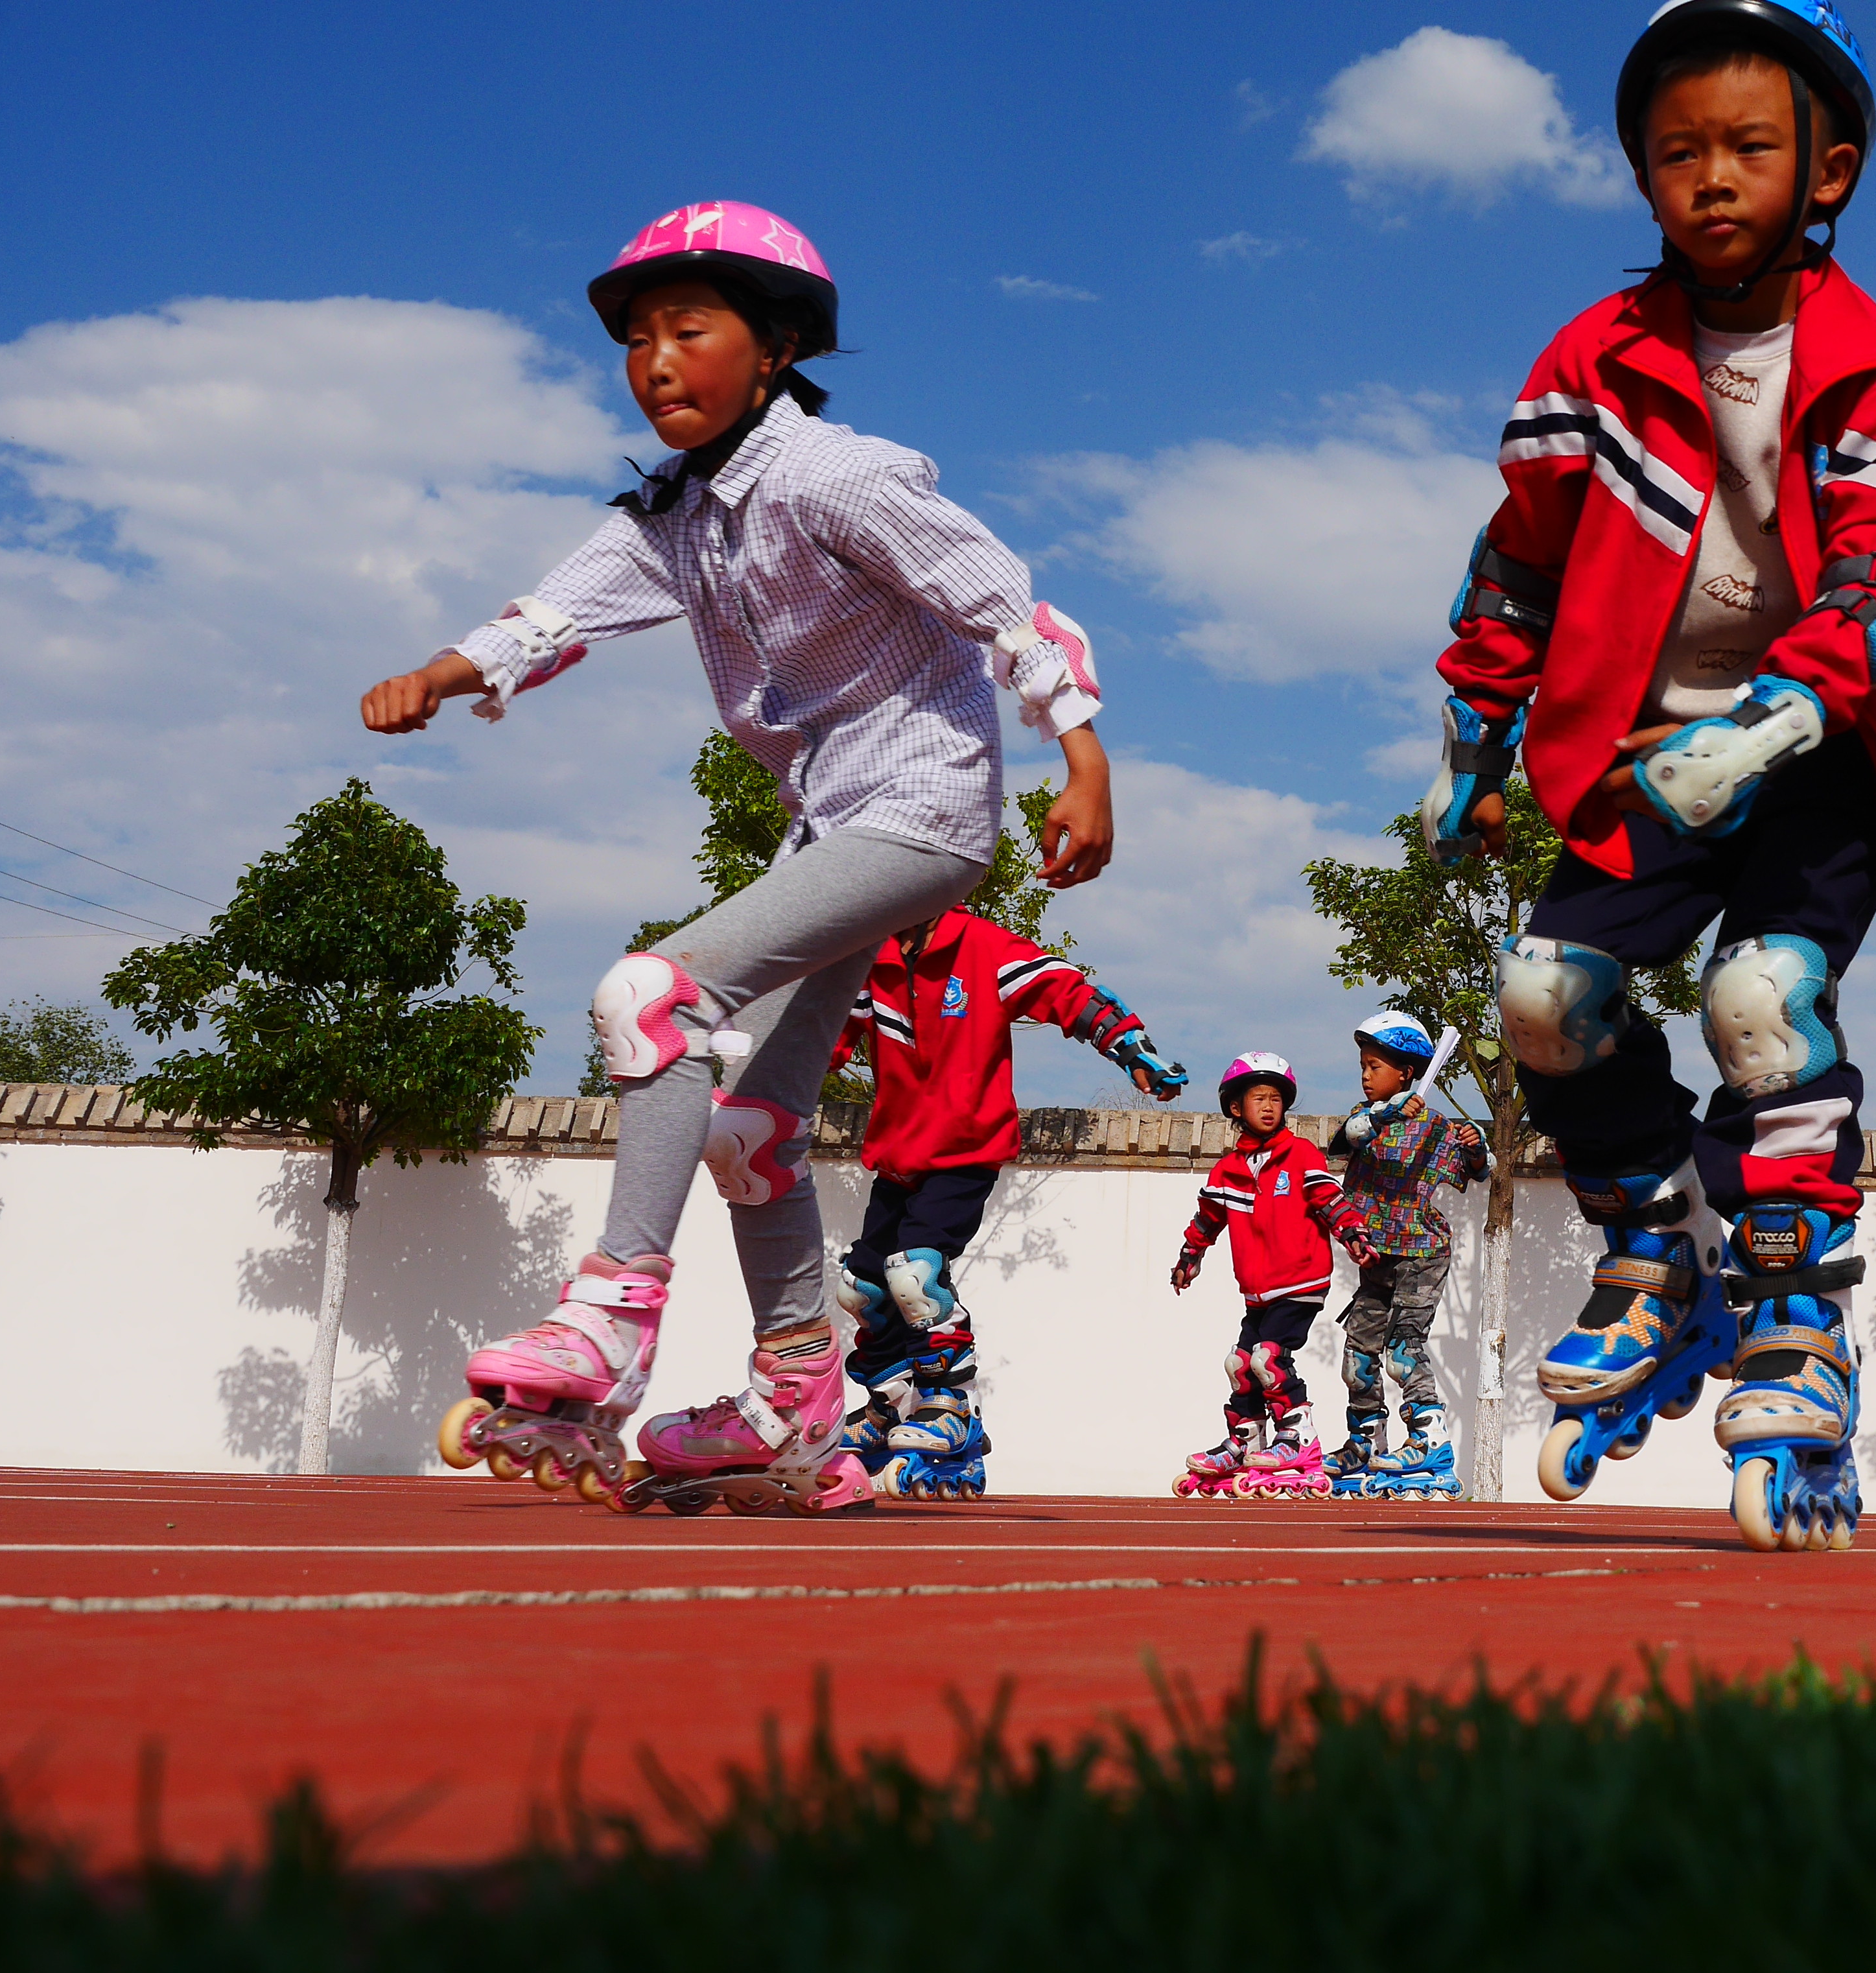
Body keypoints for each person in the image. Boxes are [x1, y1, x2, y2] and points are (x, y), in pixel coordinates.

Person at [398, 203, 1117, 1515]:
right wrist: (447, 674)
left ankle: (610, 1314)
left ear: (776, 347)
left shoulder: (836, 477)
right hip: (828, 825)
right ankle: (795, 1404)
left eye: (689, 331)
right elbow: (554, 612)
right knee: (750, 1132)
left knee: (650, 994)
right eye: (635, 340)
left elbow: (1005, 602)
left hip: (920, 811)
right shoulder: (674, 517)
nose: (655, 360)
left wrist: (1080, 753)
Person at [1423, 0, 1876, 1553]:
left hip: (1828, 747)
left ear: (1828, 170)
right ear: (1641, 177)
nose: (1711, 179)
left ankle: (1798, 1314)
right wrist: (1477, 734)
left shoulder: (1875, 363)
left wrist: (1774, 724)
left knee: (1760, 1002)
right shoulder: (1592, 361)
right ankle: (1654, 1250)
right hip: (1638, 751)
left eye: (1747, 147)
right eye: (1678, 153)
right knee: (1544, 997)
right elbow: (1515, 558)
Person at [823, 906, 1185, 1500]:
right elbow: (824, 1037)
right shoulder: (872, 959)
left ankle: (948, 1407)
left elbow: (1065, 991)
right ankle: (889, 1406)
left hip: (966, 1151)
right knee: (861, 1286)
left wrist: (1132, 1048)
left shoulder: (984, 947)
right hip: (899, 1154)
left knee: (915, 1275)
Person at [1170, 1054, 1370, 1500]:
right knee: (1240, 1365)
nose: (1268, 1106)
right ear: (1236, 1108)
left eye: (1276, 1099)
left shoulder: (1301, 1155)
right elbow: (1207, 1220)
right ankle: (1244, 1441)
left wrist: (1353, 1232)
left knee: (1268, 1359)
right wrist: (1190, 1258)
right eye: (1259, 1098)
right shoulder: (1228, 1171)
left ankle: (1298, 1437)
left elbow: (1329, 1199)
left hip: (1301, 1282)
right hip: (1258, 1291)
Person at [1326, 1012, 1488, 1500]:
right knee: (1357, 1357)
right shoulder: (1366, 1120)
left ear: (1406, 1072)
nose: (1365, 1075)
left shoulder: (1434, 1127)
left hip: (1421, 1252)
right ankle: (1364, 1442)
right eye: (1363, 1066)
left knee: (1402, 1351)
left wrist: (1476, 1146)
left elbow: (1481, 1171)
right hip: (1377, 1256)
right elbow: (1342, 1142)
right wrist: (1388, 1113)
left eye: (1375, 1067)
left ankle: (1429, 1441)